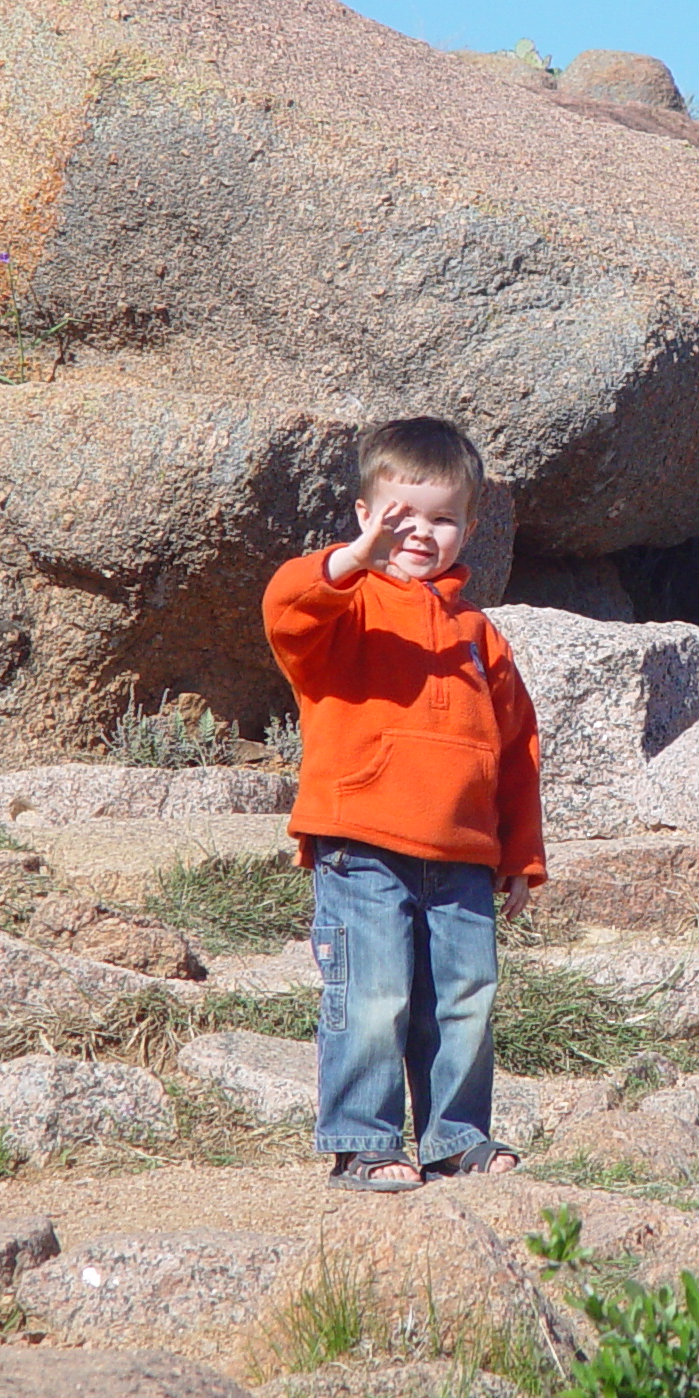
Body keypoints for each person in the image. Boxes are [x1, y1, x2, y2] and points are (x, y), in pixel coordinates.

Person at [261, 417, 546, 1191]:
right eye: (400, 516)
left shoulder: (479, 636)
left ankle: (457, 1138)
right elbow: (287, 608)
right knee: (374, 994)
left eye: (443, 518)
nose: (422, 532)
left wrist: (519, 853)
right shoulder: (343, 612)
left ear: (471, 527)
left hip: (461, 857)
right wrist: (351, 563)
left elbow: (515, 748)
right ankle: (363, 1141)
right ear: (363, 516)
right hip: (361, 846)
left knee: (465, 1002)